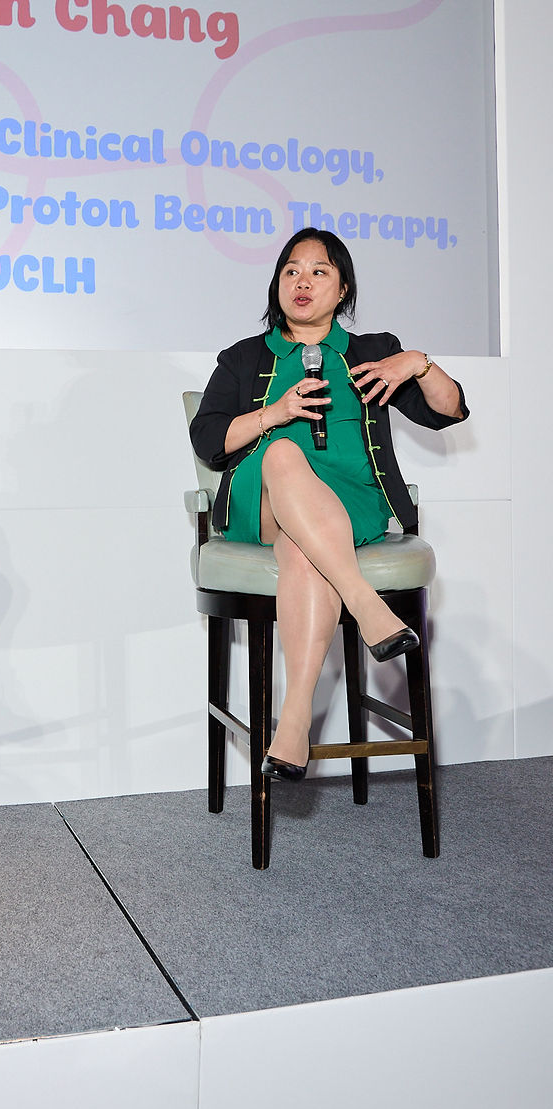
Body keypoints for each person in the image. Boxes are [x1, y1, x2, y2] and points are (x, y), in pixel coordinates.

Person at [189, 227, 468, 782]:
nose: (303, 282)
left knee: (304, 548)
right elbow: (208, 440)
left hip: (349, 504)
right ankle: (364, 603)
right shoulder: (244, 358)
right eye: (292, 271)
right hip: (263, 500)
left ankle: (295, 720)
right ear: (277, 284)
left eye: (319, 272)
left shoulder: (374, 353)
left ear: (342, 290)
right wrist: (276, 413)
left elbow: (450, 410)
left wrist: (416, 363)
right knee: (283, 453)